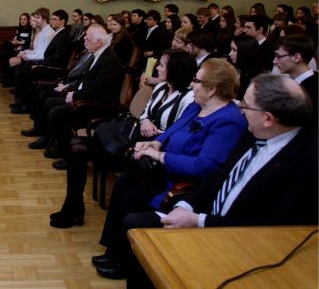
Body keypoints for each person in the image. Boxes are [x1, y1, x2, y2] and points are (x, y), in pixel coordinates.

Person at [117, 74, 318, 288]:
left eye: (245, 106)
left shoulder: (308, 161)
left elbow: (274, 227)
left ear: (268, 119)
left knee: (141, 230)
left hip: (241, 242)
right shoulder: (255, 133)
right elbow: (218, 177)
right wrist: (186, 205)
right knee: (135, 226)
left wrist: (199, 221)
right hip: (206, 216)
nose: (241, 110)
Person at [94, 58, 247, 280]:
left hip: (185, 189)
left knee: (131, 201)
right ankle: (114, 251)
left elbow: (204, 167)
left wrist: (159, 155)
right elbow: (173, 130)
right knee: (125, 183)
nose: (192, 84)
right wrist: (155, 143)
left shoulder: (228, 121)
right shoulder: (196, 106)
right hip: (165, 175)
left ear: (213, 88)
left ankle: (126, 262)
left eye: (197, 80)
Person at [49, 50, 196, 229]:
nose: (157, 67)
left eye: (162, 65)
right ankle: (73, 206)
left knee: (79, 149)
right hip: (129, 139)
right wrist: (146, 121)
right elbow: (144, 113)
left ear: (176, 69)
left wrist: (155, 130)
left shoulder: (188, 98)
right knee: (76, 147)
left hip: (146, 153)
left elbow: (179, 130)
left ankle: (73, 209)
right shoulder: (161, 88)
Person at [41, 25, 125, 167]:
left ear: (99, 42)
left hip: (99, 105)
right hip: (88, 97)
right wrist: (72, 90)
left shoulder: (109, 60)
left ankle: (68, 155)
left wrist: (75, 96)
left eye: (88, 39)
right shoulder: (97, 54)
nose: (84, 41)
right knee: (50, 102)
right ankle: (58, 145)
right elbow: (84, 80)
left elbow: (98, 88)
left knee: (57, 112)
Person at [273, 34, 317, 119]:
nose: (274, 61)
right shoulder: (289, 81)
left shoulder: (313, 91)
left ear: (296, 57)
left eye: (278, 56)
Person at [228, 34, 265, 101]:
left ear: (245, 51)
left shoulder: (255, 80)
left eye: (234, 50)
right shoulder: (236, 68)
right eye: (231, 49)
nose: (230, 54)